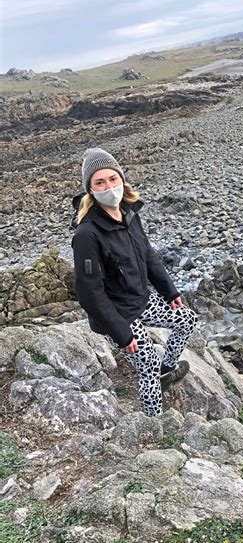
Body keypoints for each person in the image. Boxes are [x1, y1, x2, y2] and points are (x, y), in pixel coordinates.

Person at [72, 147, 198, 417]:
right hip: (117, 313)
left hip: (141, 299)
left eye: (113, 179)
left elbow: (148, 255)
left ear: (122, 179)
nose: (109, 186)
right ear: (90, 190)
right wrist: (121, 332)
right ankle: (156, 421)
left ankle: (168, 370)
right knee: (147, 363)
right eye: (100, 182)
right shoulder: (87, 234)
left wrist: (169, 291)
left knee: (187, 320)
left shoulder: (130, 214)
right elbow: (89, 293)